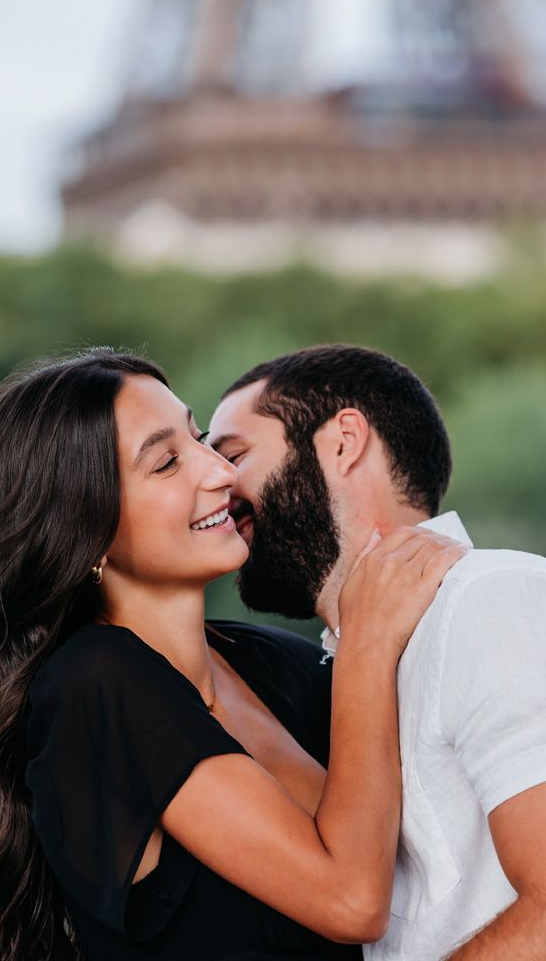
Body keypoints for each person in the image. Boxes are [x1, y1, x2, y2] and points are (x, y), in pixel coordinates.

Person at [0, 349, 464, 961]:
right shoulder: (93, 684)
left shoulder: (271, 661)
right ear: (86, 527)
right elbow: (352, 901)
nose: (220, 471)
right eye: (167, 462)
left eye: (199, 440)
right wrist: (368, 646)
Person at [208, 343, 546, 961]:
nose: (217, 483)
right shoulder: (348, 665)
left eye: (234, 455)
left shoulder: (487, 598)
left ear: (343, 442)